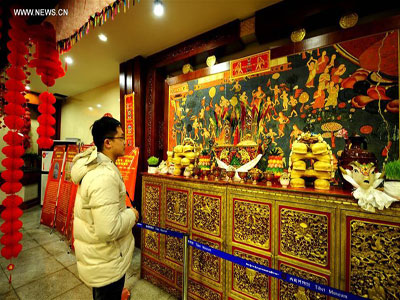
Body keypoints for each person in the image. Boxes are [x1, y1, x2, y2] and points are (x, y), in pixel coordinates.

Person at [71, 116, 139, 300]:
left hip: (100, 258)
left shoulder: (100, 168)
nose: (126, 142)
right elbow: (108, 230)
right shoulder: (103, 176)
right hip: (105, 260)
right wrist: (132, 215)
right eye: (122, 137)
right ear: (107, 142)